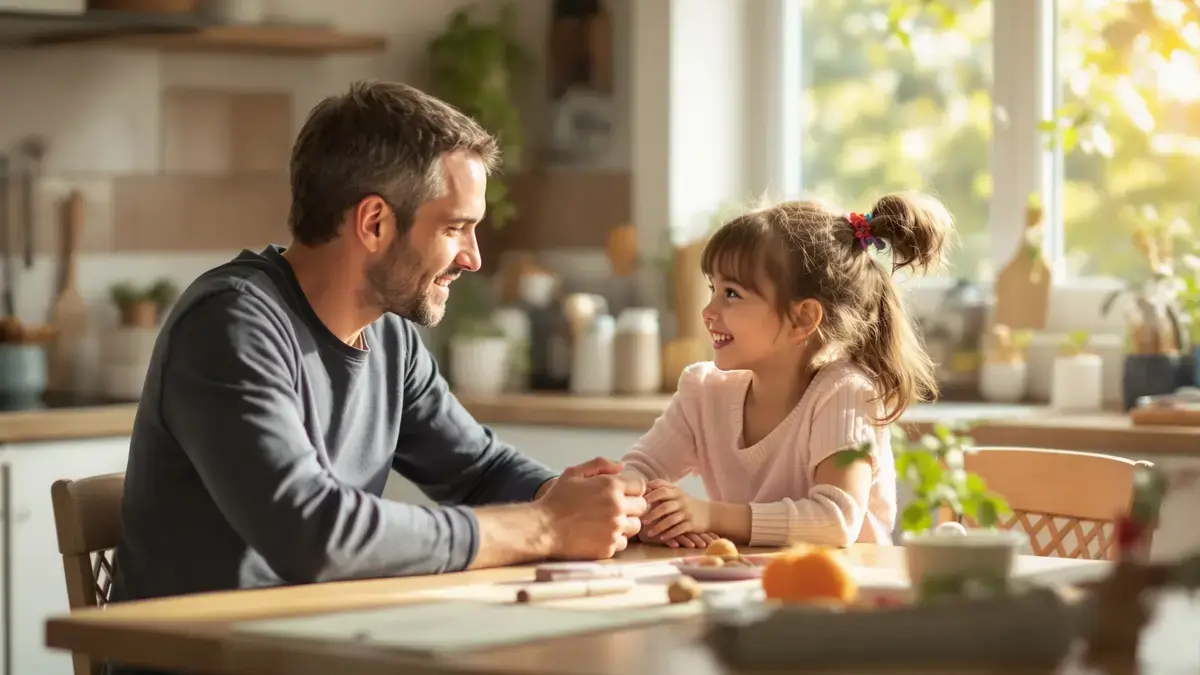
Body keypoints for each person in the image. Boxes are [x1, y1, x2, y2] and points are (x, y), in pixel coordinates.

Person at [107, 80, 649, 621]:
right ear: (374, 223)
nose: (473, 258)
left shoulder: (390, 337)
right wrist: (548, 526)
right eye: (456, 228)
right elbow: (312, 533)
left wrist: (580, 500)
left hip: (318, 648)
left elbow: (477, 470)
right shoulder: (230, 324)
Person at [620, 193, 953, 549]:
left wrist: (711, 516)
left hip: (846, 591)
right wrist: (645, 514)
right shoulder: (703, 391)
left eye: (731, 294)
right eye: (712, 289)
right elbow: (638, 472)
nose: (708, 311)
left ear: (803, 318)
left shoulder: (846, 394)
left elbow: (835, 521)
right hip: (749, 586)